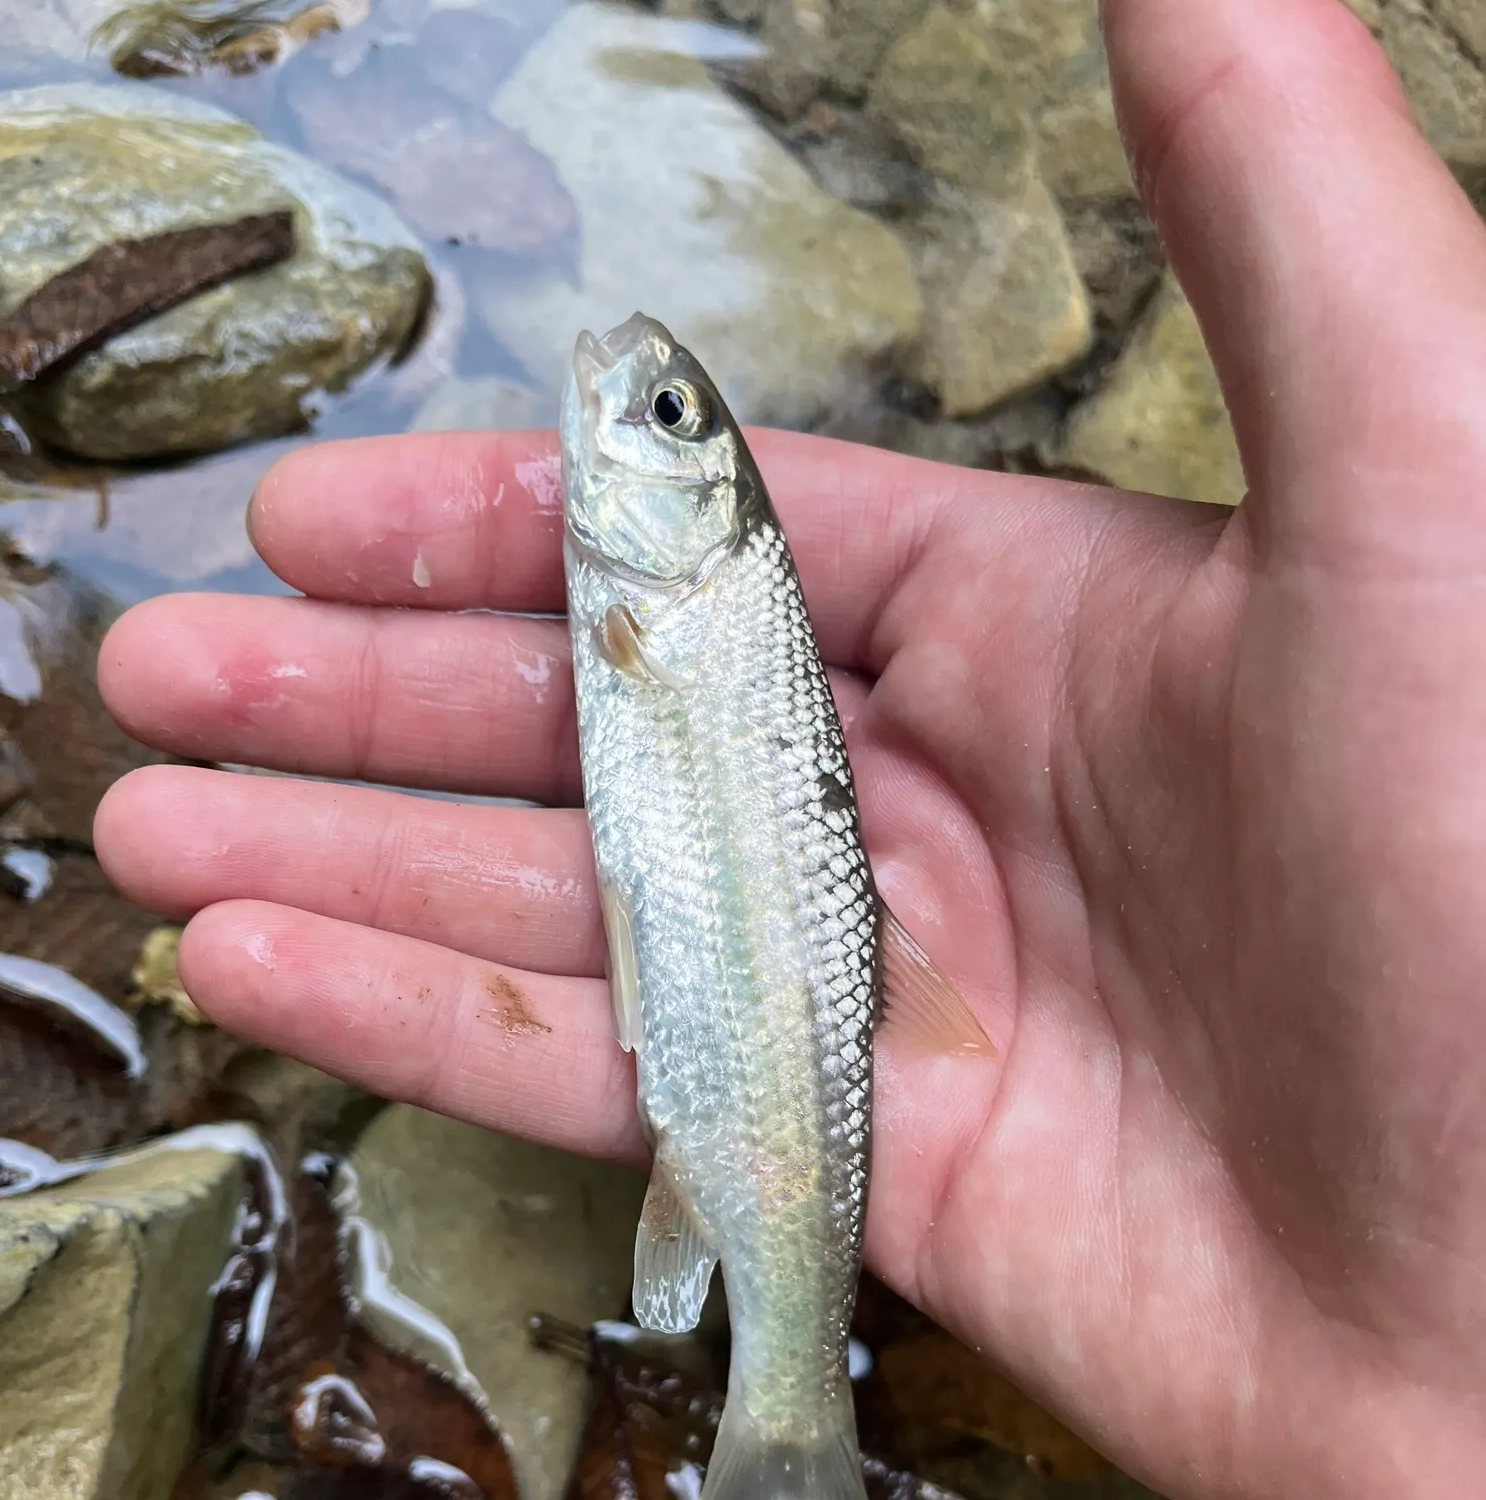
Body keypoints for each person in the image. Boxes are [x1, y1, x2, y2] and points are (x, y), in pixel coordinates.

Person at [91, 0, 1486, 1493]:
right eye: (673, 412)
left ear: (705, 517)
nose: (634, 395)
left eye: (667, 414)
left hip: (784, 1041)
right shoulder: (684, 598)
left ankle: (790, 1407)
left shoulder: (697, 601)